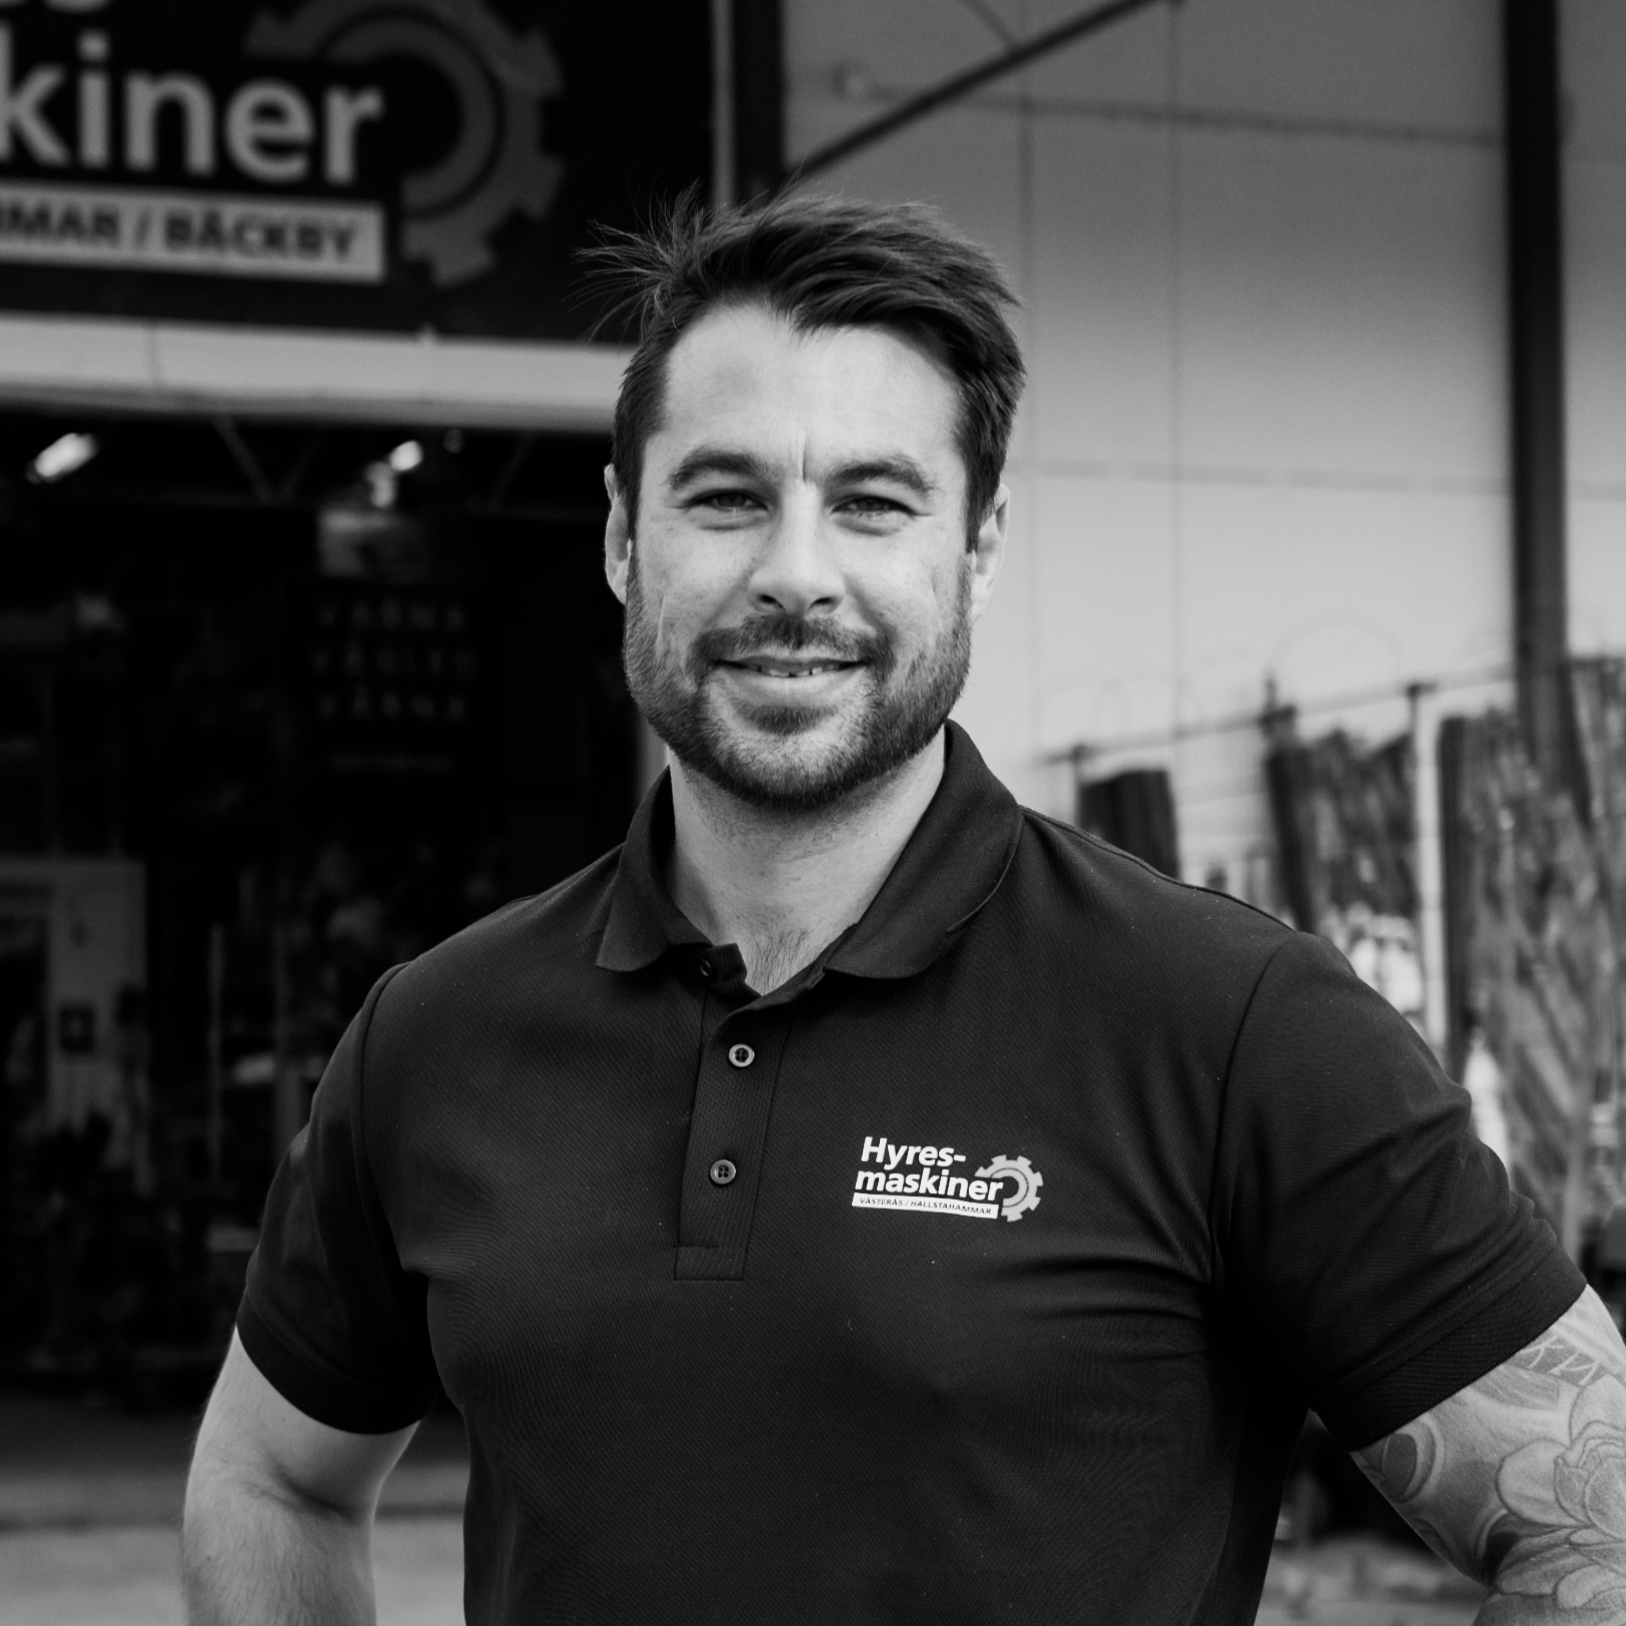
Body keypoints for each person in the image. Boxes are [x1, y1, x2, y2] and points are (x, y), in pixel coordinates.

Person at [182, 194, 1626, 1625]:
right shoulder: (438, 1034)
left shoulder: (1233, 1026)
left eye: (871, 503)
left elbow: (1596, 1535)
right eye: (726, 495)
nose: (795, 575)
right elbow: (270, 1481)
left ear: (977, 547)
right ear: (623, 536)